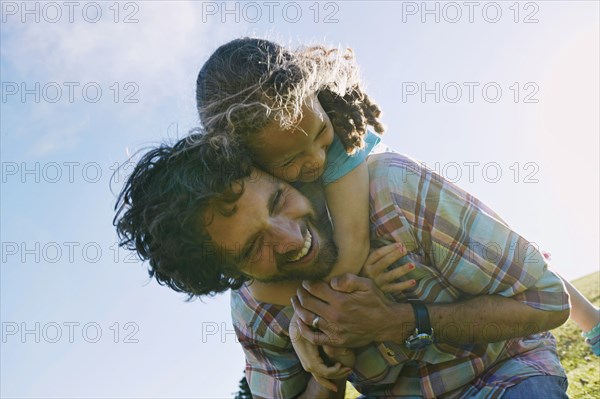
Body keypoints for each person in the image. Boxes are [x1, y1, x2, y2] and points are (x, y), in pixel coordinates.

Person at [114, 133, 571, 398]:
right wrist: (327, 371)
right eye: (255, 247)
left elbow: (550, 304)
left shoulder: (392, 191)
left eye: (278, 200)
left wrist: (399, 322)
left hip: (507, 374)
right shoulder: (255, 310)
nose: (293, 240)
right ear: (228, 274)